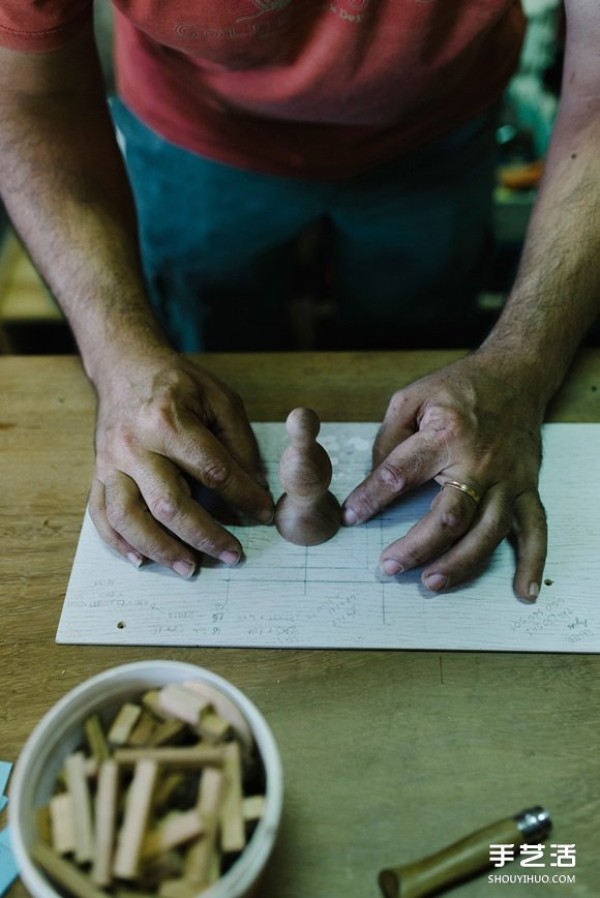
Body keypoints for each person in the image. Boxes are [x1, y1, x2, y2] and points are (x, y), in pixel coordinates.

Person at [0, 2, 598, 601]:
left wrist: (522, 363)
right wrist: (118, 360)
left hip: (437, 124)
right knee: (205, 370)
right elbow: (28, 96)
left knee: (417, 346)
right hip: (194, 123)